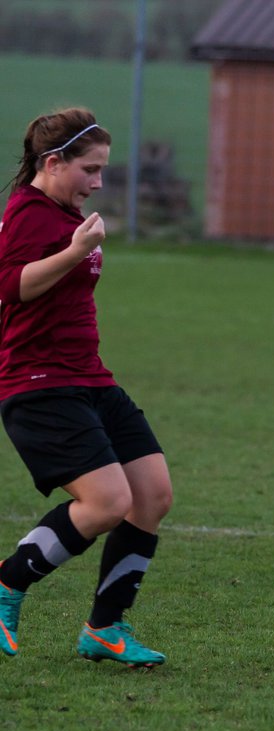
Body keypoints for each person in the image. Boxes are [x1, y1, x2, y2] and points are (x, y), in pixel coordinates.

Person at [0, 108, 172, 668]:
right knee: (107, 502)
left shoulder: (63, 211)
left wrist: (75, 247)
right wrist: (75, 250)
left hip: (89, 377)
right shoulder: (28, 212)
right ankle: (6, 585)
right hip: (37, 383)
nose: (99, 182)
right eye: (90, 169)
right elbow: (11, 287)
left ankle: (104, 628)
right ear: (54, 163)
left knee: (151, 495)